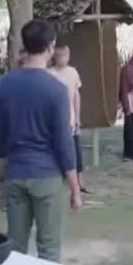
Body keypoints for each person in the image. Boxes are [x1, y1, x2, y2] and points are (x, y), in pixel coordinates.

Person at [0, 19, 82, 262]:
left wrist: (2, 170)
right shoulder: (56, 90)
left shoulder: (2, 85)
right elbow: (63, 142)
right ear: (50, 47)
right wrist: (75, 187)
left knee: (15, 248)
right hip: (47, 176)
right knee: (49, 249)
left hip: (15, 173)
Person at [49, 44, 89, 193]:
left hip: (70, 118)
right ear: (55, 57)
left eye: (66, 55)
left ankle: (79, 179)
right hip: (55, 119)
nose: (63, 59)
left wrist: (77, 117)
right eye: (60, 56)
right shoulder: (49, 73)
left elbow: (76, 95)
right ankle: (59, 178)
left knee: (75, 149)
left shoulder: (72, 72)